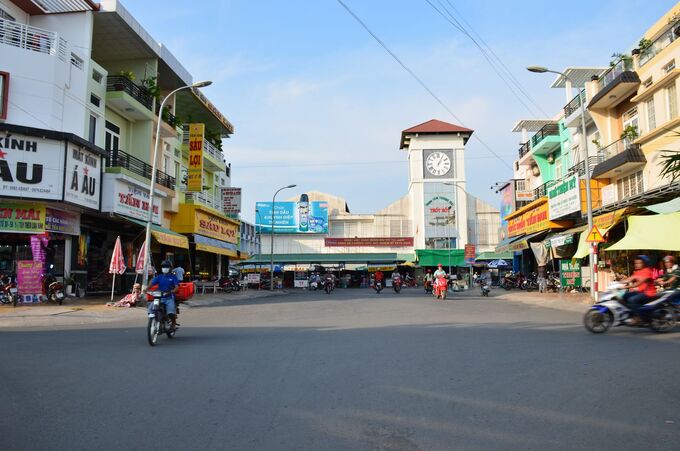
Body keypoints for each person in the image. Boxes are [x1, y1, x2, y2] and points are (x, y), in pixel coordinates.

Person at [622, 255, 657, 324]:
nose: (636, 265)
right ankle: (630, 314)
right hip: (641, 292)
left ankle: (638, 317)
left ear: (644, 263)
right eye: (635, 263)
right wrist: (616, 283)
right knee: (625, 296)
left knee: (632, 300)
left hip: (649, 294)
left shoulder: (647, 271)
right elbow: (629, 279)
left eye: (639, 263)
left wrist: (624, 287)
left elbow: (638, 284)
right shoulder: (637, 272)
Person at [149, 260, 180, 330]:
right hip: (159, 298)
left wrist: (172, 291)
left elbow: (177, 287)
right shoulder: (159, 277)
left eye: (166, 266)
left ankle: (173, 323)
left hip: (169, 297)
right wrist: (146, 289)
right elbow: (152, 283)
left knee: (171, 312)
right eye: (163, 266)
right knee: (151, 308)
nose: (165, 268)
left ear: (170, 268)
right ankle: (156, 320)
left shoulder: (173, 277)